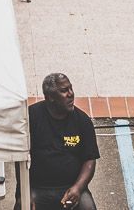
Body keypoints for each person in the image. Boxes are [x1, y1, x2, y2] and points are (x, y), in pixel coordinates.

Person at [28, 72, 99, 210]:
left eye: (71, 88)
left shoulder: (82, 121)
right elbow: (21, 157)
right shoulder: (32, 117)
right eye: (64, 91)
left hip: (71, 187)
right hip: (37, 188)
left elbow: (90, 160)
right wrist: (23, 193)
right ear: (50, 97)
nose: (71, 94)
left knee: (88, 207)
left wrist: (78, 188)